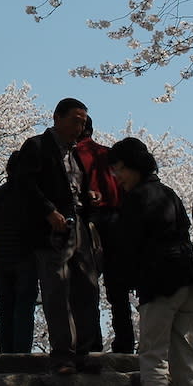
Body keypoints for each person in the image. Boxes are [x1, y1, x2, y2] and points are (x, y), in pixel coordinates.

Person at [109, 137, 193, 386]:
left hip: (159, 284)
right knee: (187, 360)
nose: (117, 177)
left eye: (119, 169)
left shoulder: (136, 198)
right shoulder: (169, 194)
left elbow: (128, 245)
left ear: (133, 165)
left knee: (153, 357)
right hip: (188, 281)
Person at [15, 97, 100, 374]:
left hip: (79, 226)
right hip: (52, 230)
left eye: (83, 123)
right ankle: (63, 355)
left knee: (88, 288)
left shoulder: (75, 154)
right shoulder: (37, 146)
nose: (80, 127)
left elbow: (75, 185)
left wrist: (89, 196)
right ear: (57, 118)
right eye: (75, 121)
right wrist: (48, 211)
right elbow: (23, 183)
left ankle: (83, 353)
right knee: (56, 291)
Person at [76, 116, 134, 353]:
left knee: (86, 286)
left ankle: (92, 343)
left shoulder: (71, 156)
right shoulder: (109, 155)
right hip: (116, 220)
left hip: (88, 221)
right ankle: (125, 342)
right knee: (117, 287)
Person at [0, 151, 39, 354]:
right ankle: (22, 353)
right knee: (24, 307)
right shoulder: (31, 195)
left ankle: (7, 352)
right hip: (25, 255)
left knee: (4, 306)